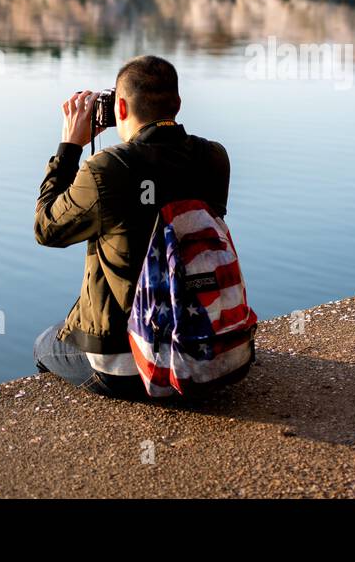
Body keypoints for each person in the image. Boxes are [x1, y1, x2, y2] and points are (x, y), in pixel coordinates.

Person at [32, 55, 230, 399]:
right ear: (178, 104)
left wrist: (69, 148)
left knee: (44, 345)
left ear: (119, 109)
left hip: (127, 366)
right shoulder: (214, 157)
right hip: (203, 349)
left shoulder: (107, 169)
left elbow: (46, 228)